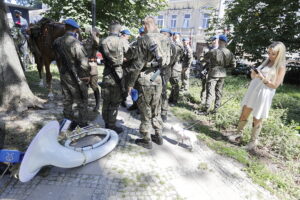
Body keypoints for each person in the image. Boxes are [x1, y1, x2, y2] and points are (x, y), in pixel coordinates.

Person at [228, 42, 287, 152]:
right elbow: (254, 77)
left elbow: (274, 85)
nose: (270, 55)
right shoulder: (266, 62)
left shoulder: (281, 67)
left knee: (257, 116)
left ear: (279, 54)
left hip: (264, 93)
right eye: (269, 52)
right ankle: (238, 134)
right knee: (244, 112)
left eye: (273, 54)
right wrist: (253, 74)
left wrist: (262, 77)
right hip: (253, 90)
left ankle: (252, 142)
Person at [127, 17, 171, 149]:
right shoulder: (165, 39)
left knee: (145, 109)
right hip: (158, 78)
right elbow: (168, 61)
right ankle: (158, 135)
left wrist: (130, 83)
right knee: (156, 109)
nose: (144, 28)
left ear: (146, 25)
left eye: (143, 25)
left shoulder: (143, 39)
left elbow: (137, 65)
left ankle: (146, 139)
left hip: (145, 78)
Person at [53, 19, 91, 129]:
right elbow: (83, 61)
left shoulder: (57, 41)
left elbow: (57, 56)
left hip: (64, 73)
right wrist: (86, 75)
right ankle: (82, 123)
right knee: (82, 99)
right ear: (75, 29)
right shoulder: (75, 43)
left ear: (65, 28)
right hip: (76, 74)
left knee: (67, 97)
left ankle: (67, 122)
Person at [99, 21, 129, 134]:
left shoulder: (103, 41)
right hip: (118, 74)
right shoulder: (122, 41)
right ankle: (111, 125)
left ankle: (106, 122)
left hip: (107, 73)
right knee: (115, 101)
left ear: (109, 29)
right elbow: (130, 54)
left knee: (106, 100)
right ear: (119, 30)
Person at [200, 35, 236, 114]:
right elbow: (234, 65)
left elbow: (205, 57)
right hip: (223, 73)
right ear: (225, 43)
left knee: (210, 91)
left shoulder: (214, 51)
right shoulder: (230, 53)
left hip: (213, 73)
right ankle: (216, 110)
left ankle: (206, 109)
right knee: (219, 92)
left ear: (219, 42)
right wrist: (225, 67)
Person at [160, 28, 175, 122]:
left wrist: (165, 67)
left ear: (167, 34)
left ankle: (163, 112)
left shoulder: (172, 46)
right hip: (157, 70)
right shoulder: (159, 44)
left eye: (162, 34)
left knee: (163, 92)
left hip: (165, 71)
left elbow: (172, 61)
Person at [200, 36, 218, 106]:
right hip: (206, 70)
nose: (214, 42)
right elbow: (201, 59)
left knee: (212, 88)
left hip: (215, 72)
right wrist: (207, 61)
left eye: (215, 40)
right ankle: (203, 101)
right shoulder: (206, 49)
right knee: (204, 87)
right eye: (213, 40)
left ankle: (209, 103)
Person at [169, 32, 184, 105]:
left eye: (174, 36)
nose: (172, 37)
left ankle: (175, 101)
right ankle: (171, 98)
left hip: (175, 67)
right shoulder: (174, 44)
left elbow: (175, 56)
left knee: (175, 84)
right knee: (173, 84)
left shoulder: (178, 45)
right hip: (172, 66)